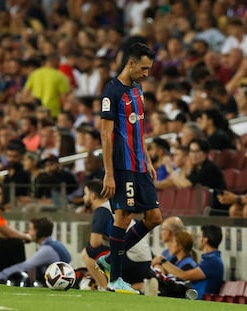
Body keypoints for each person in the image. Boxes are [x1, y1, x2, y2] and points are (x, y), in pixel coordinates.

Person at [99, 42, 163, 294]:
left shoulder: (138, 89)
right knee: (123, 217)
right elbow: (105, 135)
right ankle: (115, 279)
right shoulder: (111, 91)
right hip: (122, 165)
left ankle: (109, 260)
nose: (147, 74)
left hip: (139, 164)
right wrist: (109, 173)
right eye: (144, 68)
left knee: (154, 218)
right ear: (131, 63)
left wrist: (147, 159)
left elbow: (139, 129)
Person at [81, 179, 157, 294]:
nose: (83, 198)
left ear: (92, 196)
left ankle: (105, 289)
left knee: (87, 253)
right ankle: (140, 286)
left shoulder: (102, 210)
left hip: (131, 261)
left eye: (85, 194)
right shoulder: (115, 206)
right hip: (144, 262)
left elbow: (94, 243)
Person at [0, 217, 71, 285]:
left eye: (31, 229)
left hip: (59, 282)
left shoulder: (47, 249)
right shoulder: (55, 244)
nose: (28, 233)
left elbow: (25, 266)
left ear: (38, 232)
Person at [155, 224, 224, 298]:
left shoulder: (213, 262)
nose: (197, 240)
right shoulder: (210, 260)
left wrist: (162, 261)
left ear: (205, 240)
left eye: (199, 237)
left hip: (200, 300)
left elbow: (183, 276)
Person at [152, 230, 206, 299]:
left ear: (180, 245)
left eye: (172, 242)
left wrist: (161, 262)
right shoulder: (175, 260)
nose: (169, 245)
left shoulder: (188, 264)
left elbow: (179, 283)